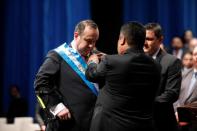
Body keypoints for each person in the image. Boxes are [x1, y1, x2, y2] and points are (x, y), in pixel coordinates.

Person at [85, 21, 161, 131]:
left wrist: (92, 62)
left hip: (111, 125)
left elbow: (91, 75)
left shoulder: (111, 61)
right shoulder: (156, 65)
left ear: (123, 40)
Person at [34, 20, 99, 131]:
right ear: (76, 35)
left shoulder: (96, 57)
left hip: (93, 124)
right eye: (88, 41)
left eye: (94, 41)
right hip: (67, 125)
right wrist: (57, 106)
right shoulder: (58, 56)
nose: (91, 46)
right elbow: (40, 83)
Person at [144, 23, 182, 131]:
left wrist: (144, 104)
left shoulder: (171, 61)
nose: (144, 43)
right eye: (143, 39)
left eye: (149, 39)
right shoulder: (135, 59)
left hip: (161, 123)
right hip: (138, 122)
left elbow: (171, 93)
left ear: (160, 40)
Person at [173, 46, 197, 130]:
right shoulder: (184, 74)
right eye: (195, 54)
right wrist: (176, 111)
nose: (196, 57)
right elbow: (176, 94)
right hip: (179, 118)